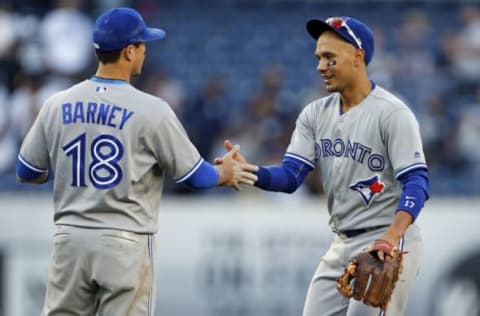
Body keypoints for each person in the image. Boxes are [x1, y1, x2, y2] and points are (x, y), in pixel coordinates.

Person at [16, 7, 258, 316]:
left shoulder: (57, 103)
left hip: (70, 238)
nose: (145, 51)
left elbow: (28, 170)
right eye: (143, 45)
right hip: (123, 241)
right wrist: (225, 172)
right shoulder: (151, 109)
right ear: (129, 51)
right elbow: (195, 177)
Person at [218, 16, 429, 316]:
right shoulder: (314, 114)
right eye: (319, 58)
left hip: (386, 239)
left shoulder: (393, 113)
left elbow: (417, 182)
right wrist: (251, 172)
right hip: (341, 241)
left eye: (330, 58)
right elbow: (291, 176)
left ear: (358, 57)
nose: (320, 67)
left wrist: (391, 238)